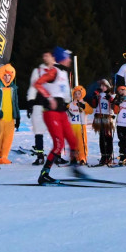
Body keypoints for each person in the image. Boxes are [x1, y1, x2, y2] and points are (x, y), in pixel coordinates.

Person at [33, 47, 81, 185]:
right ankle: (44, 174)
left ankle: (75, 168)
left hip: (61, 112)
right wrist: (49, 98)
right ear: (62, 59)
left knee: (73, 140)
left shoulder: (64, 72)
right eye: (67, 58)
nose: (69, 60)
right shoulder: (54, 71)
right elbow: (38, 84)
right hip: (51, 113)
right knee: (58, 145)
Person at [26, 51, 54, 166]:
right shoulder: (37, 71)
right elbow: (32, 88)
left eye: (48, 56)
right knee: (38, 132)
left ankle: (56, 156)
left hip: (52, 105)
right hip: (38, 104)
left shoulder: (57, 71)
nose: (46, 58)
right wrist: (30, 102)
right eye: (44, 56)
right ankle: (40, 156)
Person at [0, 64, 19, 164]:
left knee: (8, 138)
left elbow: (16, 103)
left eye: (9, 76)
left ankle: (4, 156)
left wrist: (18, 117)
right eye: (5, 75)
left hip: (10, 118)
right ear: (1, 75)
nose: (7, 78)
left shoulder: (13, 88)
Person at [88, 79, 115, 166]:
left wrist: (110, 99)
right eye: (101, 86)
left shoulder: (111, 95)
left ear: (108, 87)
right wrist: (94, 97)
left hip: (107, 117)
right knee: (102, 137)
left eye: (104, 86)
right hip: (99, 116)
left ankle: (109, 155)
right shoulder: (98, 94)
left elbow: (115, 106)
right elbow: (94, 105)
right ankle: (103, 156)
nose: (102, 87)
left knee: (108, 137)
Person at [67, 86, 92, 165]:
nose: (77, 95)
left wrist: (84, 107)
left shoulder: (84, 103)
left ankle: (82, 158)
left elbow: (90, 111)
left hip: (81, 125)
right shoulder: (70, 104)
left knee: (81, 143)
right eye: (75, 94)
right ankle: (73, 158)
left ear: (82, 94)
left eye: (79, 94)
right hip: (72, 126)